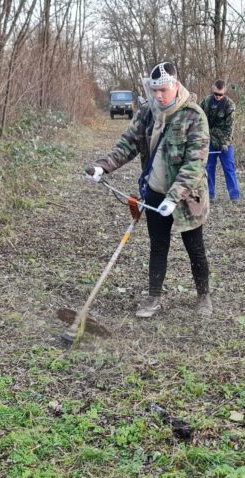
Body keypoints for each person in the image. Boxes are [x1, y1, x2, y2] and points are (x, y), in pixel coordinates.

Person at [84, 61, 213, 318]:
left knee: (195, 247)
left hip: (188, 197)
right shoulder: (147, 113)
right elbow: (127, 144)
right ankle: (153, 297)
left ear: (176, 86)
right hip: (154, 193)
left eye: (163, 90)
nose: (158, 95)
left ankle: (203, 296)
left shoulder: (194, 115)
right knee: (158, 246)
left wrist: (174, 197)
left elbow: (195, 164)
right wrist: (102, 167)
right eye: (154, 90)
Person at [200, 79, 241, 202]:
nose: (217, 96)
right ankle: (210, 195)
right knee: (209, 168)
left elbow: (230, 127)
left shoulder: (229, 105)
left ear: (225, 91)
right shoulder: (205, 102)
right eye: (216, 94)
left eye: (220, 94)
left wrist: (225, 143)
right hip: (209, 140)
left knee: (229, 168)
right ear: (213, 89)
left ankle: (234, 196)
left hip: (224, 142)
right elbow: (199, 119)